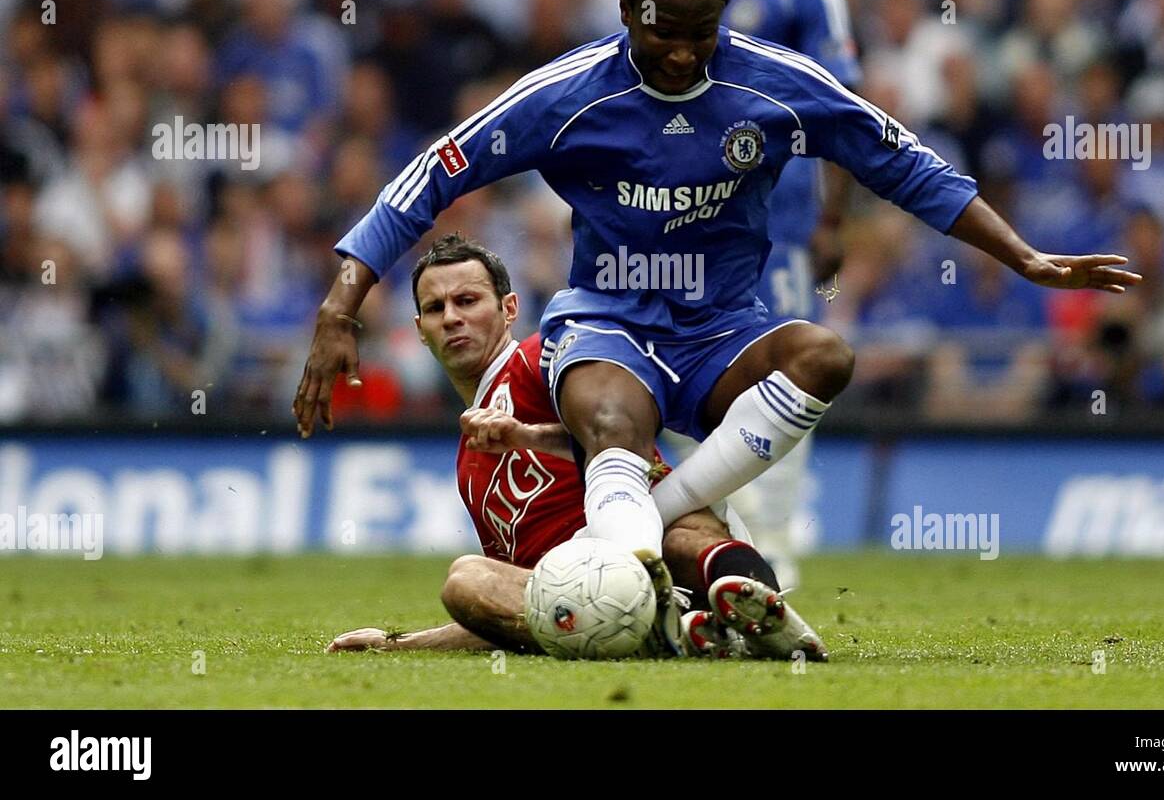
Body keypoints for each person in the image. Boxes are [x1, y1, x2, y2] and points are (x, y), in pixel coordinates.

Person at [297, 0, 1140, 654]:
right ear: (628, 9)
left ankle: (638, 569)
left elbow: (902, 161)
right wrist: (341, 305)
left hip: (722, 330)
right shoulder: (564, 95)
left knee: (826, 353)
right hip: (607, 321)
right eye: (664, 28)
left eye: (703, 32)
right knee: (612, 418)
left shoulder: (773, 84)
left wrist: (1025, 256)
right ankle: (654, 586)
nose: (682, 50)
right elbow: (431, 174)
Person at [326, 234, 827, 660]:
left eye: (468, 300)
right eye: (436, 309)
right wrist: (401, 645)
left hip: (656, 542)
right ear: (419, 331)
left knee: (677, 528)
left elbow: (628, 437)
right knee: (467, 580)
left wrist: (530, 436)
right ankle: (681, 629)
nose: (452, 318)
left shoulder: (548, 357)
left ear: (509, 308)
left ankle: (755, 608)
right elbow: (529, 600)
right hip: (586, 596)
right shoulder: (469, 465)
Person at [674, 0, 864, 585]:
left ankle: (776, 544)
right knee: (681, 383)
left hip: (774, 229)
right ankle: (697, 545)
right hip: (673, 222)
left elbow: (841, 109)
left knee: (781, 376)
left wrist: (832, 219)